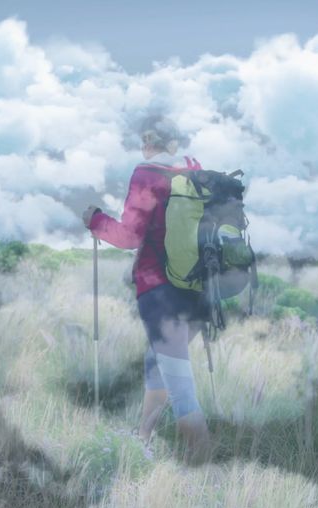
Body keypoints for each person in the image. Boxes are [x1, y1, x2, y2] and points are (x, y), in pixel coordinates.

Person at [82, 116, 212, 464]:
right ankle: (143, 440)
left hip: (161, 291)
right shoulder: (196, 172)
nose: (145, 146)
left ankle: (204, 474)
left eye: (148, 140)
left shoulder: (147, 174)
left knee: (181, 388)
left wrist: (95, 220)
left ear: (157, 143)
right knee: (159, 364)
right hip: (199, 292)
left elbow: (129, 236)